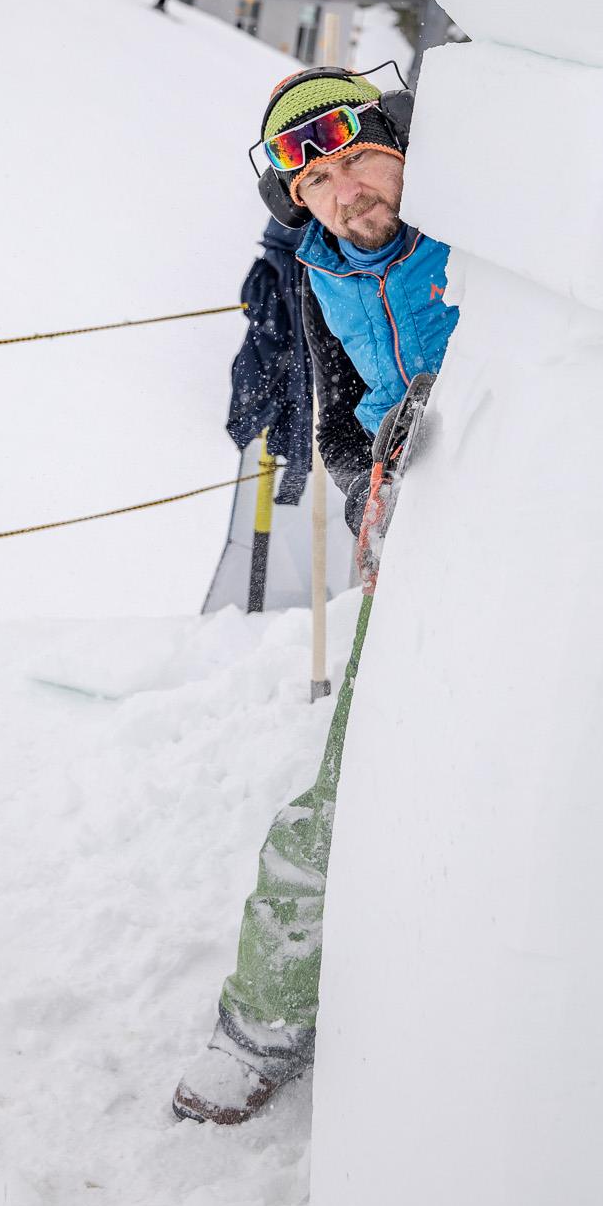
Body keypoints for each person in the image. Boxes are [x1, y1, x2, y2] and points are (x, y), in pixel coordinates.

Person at [173, 68, 460, 1126]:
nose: (346, 193)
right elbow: (337, 417)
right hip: (424, 543)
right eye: (316, 183)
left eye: (357, 160)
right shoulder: (317, 273)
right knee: (345, 792)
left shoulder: (476, 233)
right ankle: (265, 1024)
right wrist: (366, 483)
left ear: (403, 143)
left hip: (528, 533)